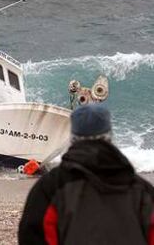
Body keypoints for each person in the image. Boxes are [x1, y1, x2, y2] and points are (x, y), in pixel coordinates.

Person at [18, 104, 154, 245]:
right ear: (110, 136)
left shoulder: (50, 188)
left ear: (72, 138)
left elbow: (33, 237)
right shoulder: (143, 191)